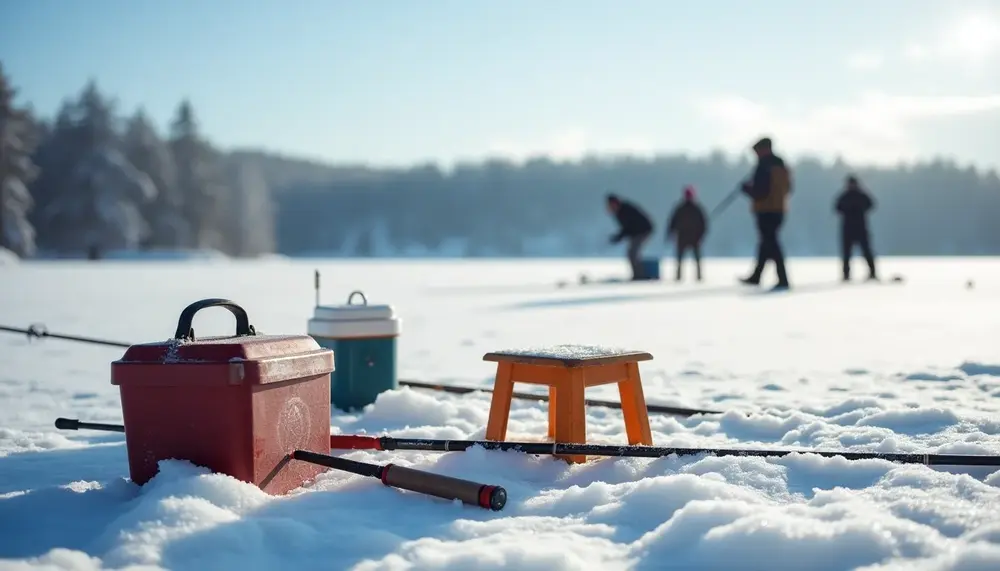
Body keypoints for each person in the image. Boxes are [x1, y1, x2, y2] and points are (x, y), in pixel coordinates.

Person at [739, 137, 792, 291]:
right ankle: (756, 276)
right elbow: (789, 188)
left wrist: (747, 189)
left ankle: (783, 279)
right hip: (779, 209)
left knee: (771, 244)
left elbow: (760, 192)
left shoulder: (764, 166)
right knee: (765, 244)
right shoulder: (782, 165)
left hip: (765, 210)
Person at [835, 174, 878, 281]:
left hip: (860, 228)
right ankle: (846, 274)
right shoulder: (845, 196)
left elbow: (871, 204)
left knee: (866, 251)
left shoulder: (861, 195)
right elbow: (837, 208)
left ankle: (872, 272)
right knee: (846, 254)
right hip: (849, 229)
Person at [606, 193, 654, 280]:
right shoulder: (619, 212)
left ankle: (639, 276)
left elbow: (628, 227)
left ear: (615, 203)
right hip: (637, 232)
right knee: (632, 253)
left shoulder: (625, 210)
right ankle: (638, 274)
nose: (609, 208)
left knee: (632, 253)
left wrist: (618, 237)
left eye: (610, 205)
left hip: (643, 230)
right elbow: (627, 229)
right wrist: (619, 237)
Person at [666, 185, 708, 282]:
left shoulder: (695, 209)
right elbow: (673, 222)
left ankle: (697, 277)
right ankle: (679, 276)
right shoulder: (682, 208)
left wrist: (700, 236)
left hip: (693, 238)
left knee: (695, 259)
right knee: (681, 260)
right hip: (684, 238)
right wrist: (670, 233)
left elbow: (703, 225)